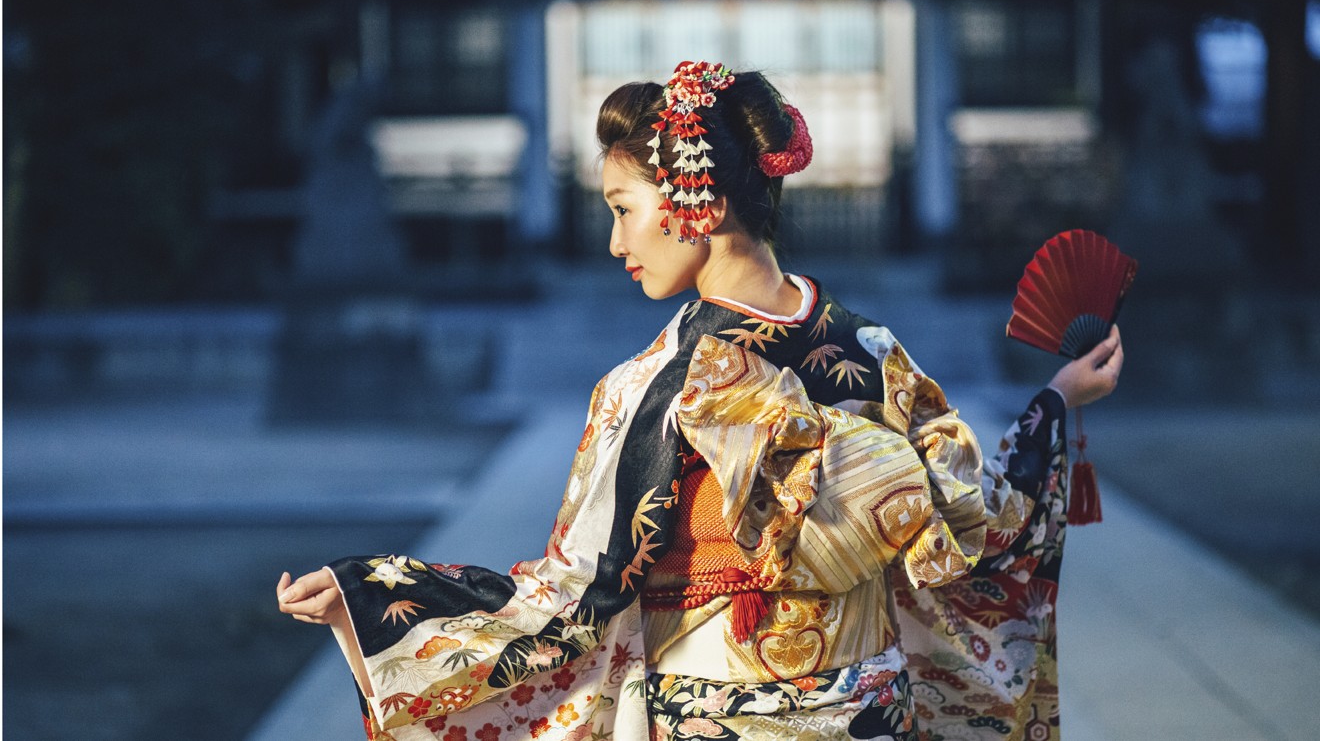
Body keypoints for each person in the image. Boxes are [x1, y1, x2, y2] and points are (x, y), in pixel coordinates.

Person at [277, 61, 1123, 741]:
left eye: (622, 209)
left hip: (717, 719)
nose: (615, 242)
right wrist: (1054, 400)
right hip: (871, 710)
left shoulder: (648, 388)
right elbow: (983, 526)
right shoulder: (871, 351)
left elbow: (566, 602)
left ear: (695, 205)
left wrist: (377, 595)